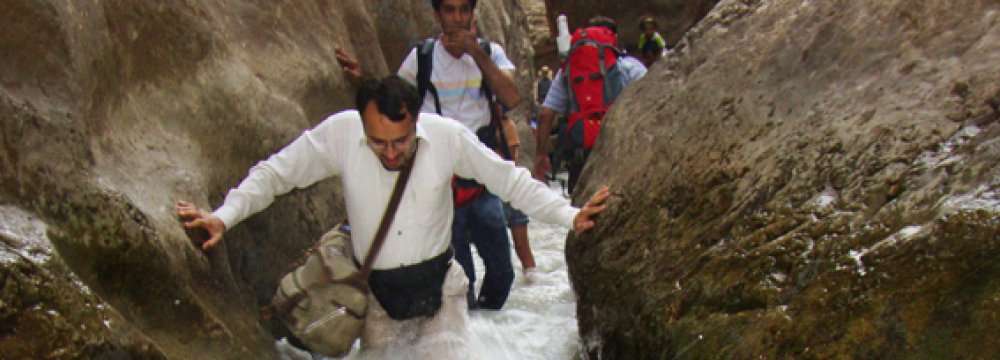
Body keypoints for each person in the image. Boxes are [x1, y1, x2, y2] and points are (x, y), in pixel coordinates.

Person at [176, 76, 611, 356]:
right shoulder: (341, 134)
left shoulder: (446, 138)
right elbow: (277, 174)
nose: (389, 152)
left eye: (400, 142)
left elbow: (509, 181)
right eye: (377, 142)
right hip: (379, 299)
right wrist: (224, 216)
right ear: (362, 125)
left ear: (415, 122)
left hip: (441, 291)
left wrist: (569, 215)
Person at [339, 0, 523, 310]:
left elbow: (512, 96)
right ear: (437, 15)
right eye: (449, 10)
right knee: (458, 277)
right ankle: (471, 337)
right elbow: (393, 100)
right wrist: (363, 79)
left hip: (479, 174)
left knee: (502, 271)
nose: (458, 18)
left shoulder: (490, 54)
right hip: (438, 177)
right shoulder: (421, 58)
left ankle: (492, 328)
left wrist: (475, 52)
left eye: (464, 10)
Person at [532, 16, 648, 193]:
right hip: (621, 152)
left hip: (581, 156)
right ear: (613, 39)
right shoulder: (629, 66)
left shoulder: (567, 72)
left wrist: (541, 155)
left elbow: (546, 115)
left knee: (582, 214)